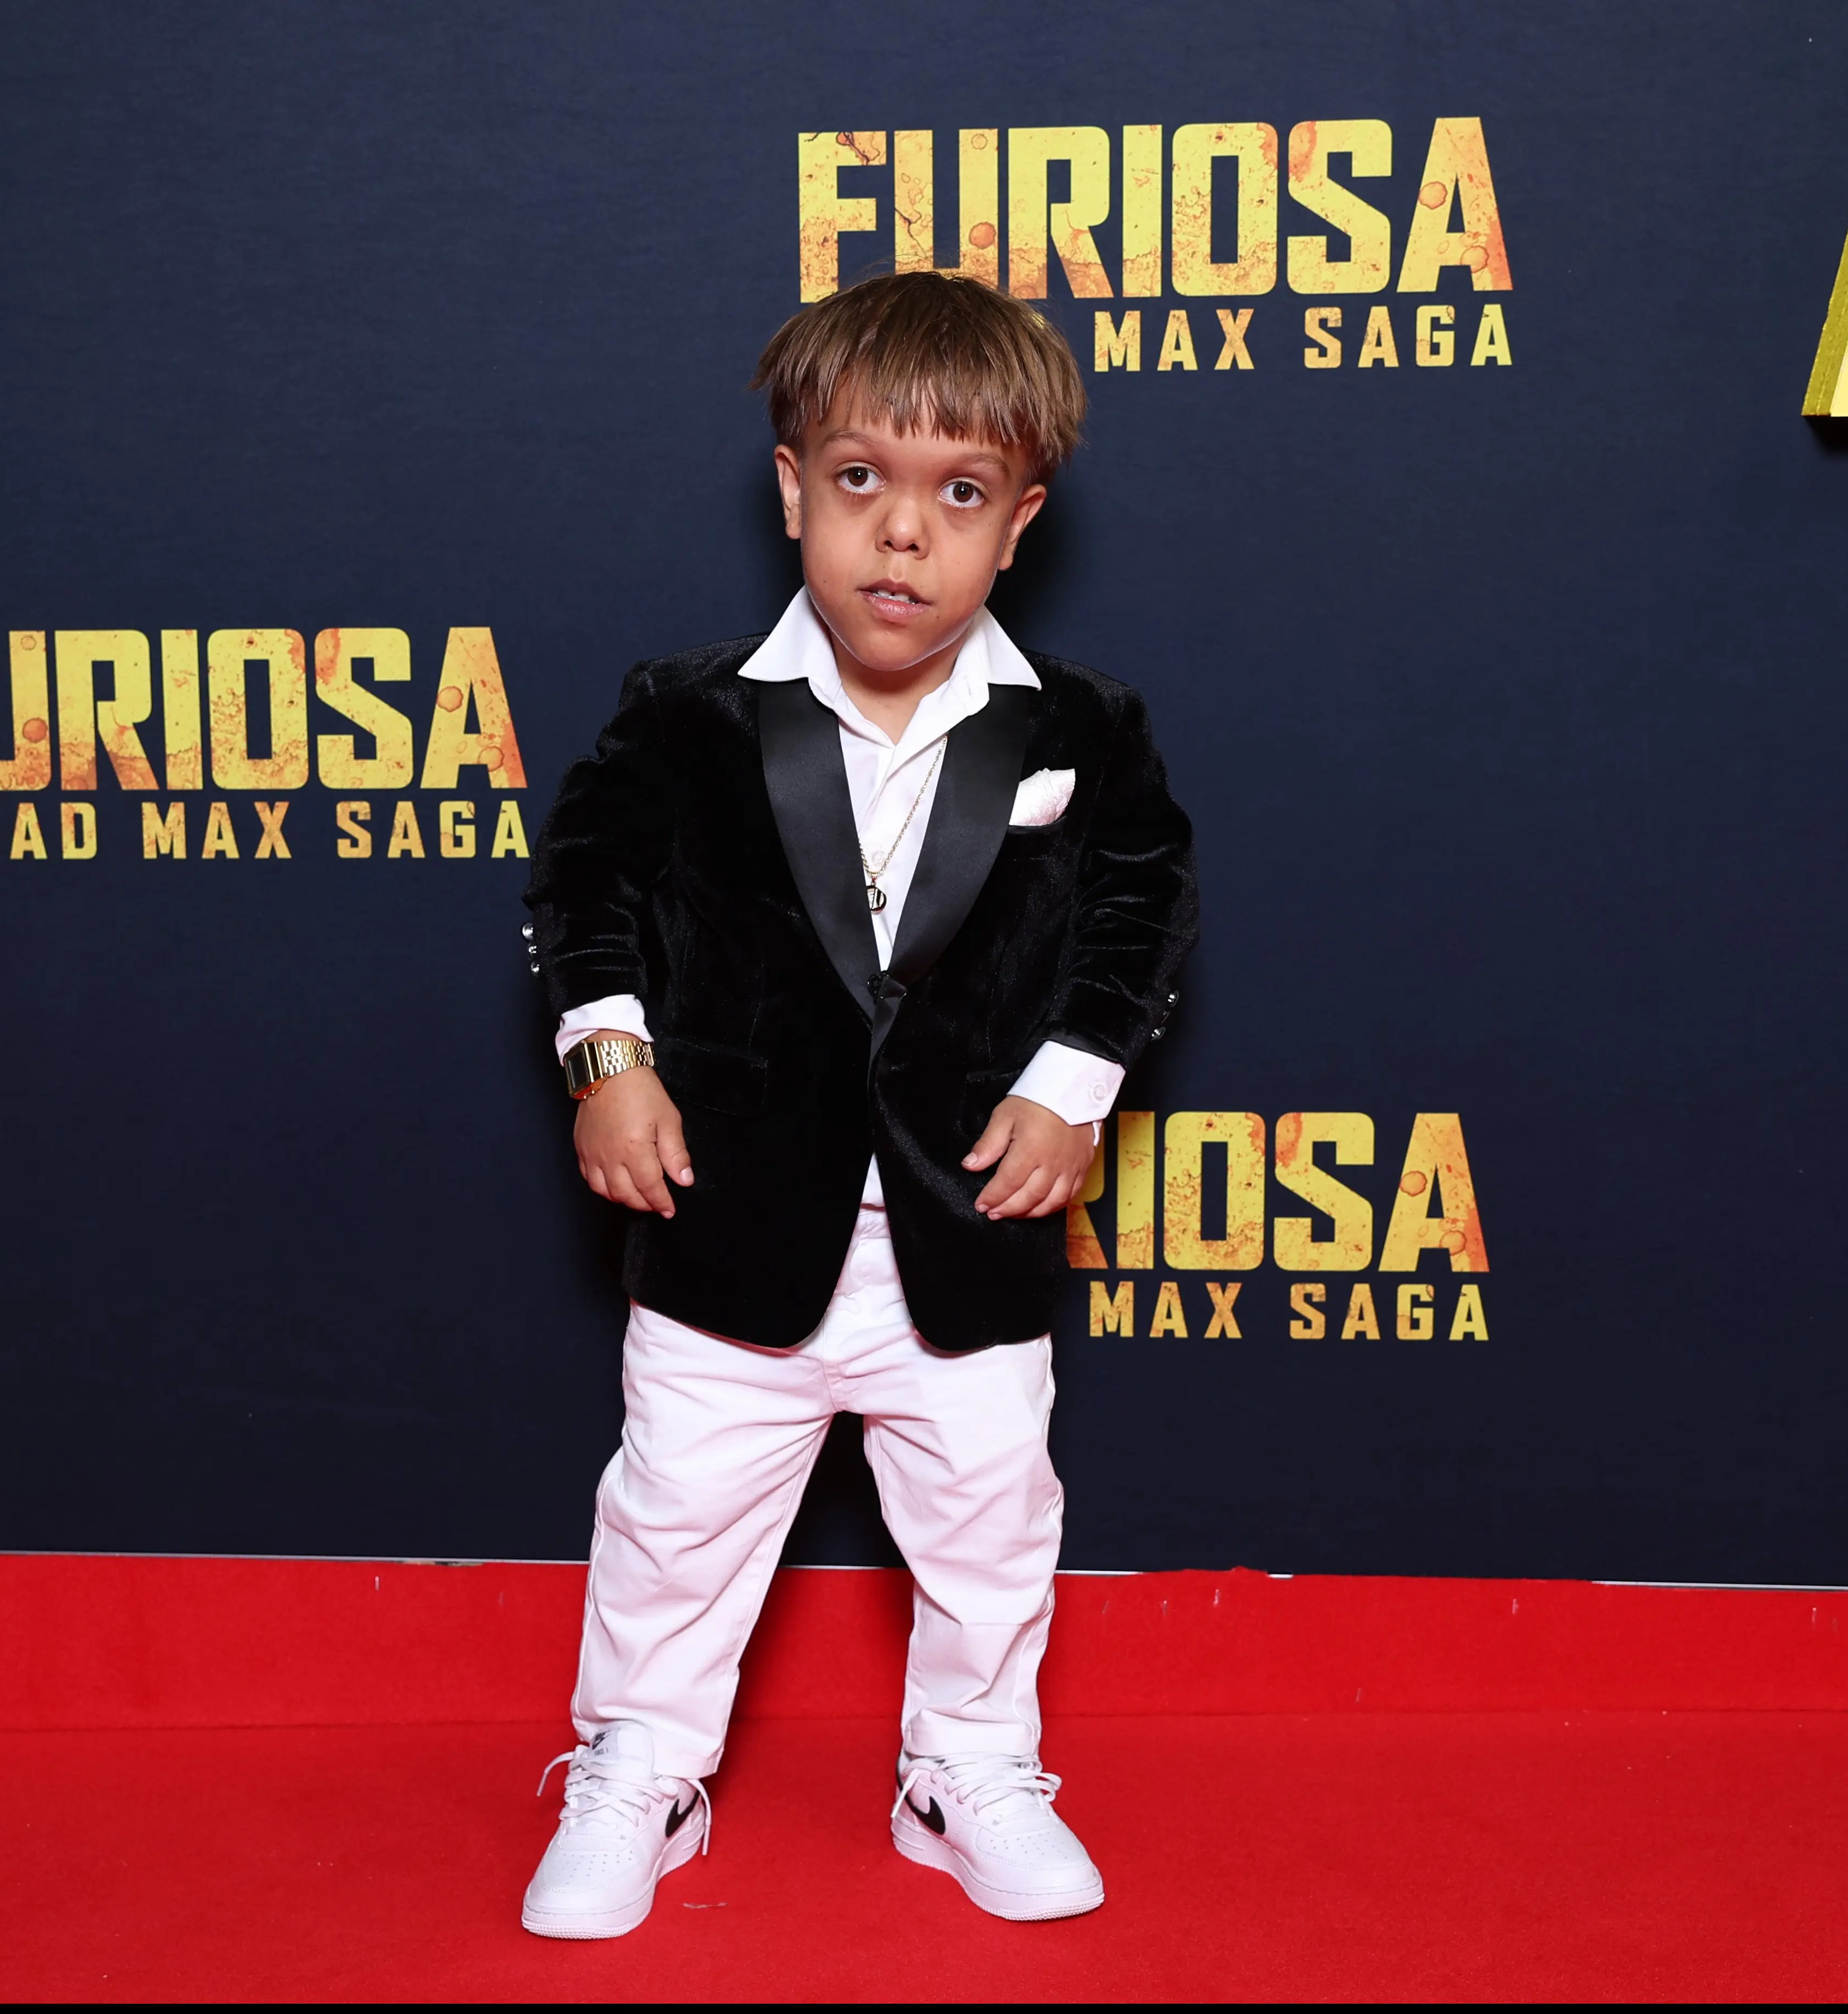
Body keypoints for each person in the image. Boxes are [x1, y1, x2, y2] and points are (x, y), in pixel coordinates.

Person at [516, 269, 1197, 1939]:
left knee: (992, 1526)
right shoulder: (685, 715)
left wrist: (1075, 1086)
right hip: (728, 1226)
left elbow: (1143, 908)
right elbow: (587, 885)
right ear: (791, 490)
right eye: (860, 481)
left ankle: (967, 1770)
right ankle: (642, 1768)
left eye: (960, 495)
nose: (903, 533)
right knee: (675, 1523)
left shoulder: (1084, 729)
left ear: (1019, 525)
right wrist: (610, 1061)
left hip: (970, 1227)